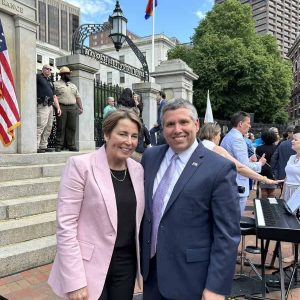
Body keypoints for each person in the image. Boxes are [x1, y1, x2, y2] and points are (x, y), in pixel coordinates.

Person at [141, 99, 240, 300]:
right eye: (170, 124)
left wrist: (216, 287)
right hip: (151, 274)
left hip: (191, 278)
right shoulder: (150, 157)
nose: (177, 129)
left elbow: (227, 234)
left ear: (196, 124)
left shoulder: (219, 168)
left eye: (183, 122)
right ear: (162, 128)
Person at [48, 109, 145, 300]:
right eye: (123, 134)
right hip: (87, 265)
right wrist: (74, 281)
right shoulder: (80, 166)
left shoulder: (137, 169)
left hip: (125, 264)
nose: (129, 142)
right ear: (107, 134)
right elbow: (66, 225)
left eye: (134, 136)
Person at [200, 123, 282, 188]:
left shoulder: (198, 146)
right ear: (214, 135)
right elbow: (239, 168)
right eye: (219, 134)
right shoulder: (216, 148)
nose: (219, 137)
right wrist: (265, 179)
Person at [221, 111, 266, 213]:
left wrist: (249, 160)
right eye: (248, 123)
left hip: (230, 182)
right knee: (235, 220)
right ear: (240, 124)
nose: (250, 126)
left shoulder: (228, 136)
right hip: (237, 184)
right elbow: (243, 166)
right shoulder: (238, 139)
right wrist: (260, 163)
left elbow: (236, 161)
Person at [54, 66, 83, 152]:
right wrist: (57, 107)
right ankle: (59, 145)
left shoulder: (73, 85)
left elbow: (78, 97)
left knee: (72, 127)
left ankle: (71, 145)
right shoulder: (56, 84)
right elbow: (53, 96)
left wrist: (81, 107)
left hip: (73, 107)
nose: (69, 75)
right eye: (68, 74)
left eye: (69, 74)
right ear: (62, 75)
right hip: (61, 106)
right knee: (61, 127)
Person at [36, 64, 61, 153]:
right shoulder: (38, 77)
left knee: (49, 126)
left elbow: (54, 96)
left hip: (50, 106)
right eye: (47, 69)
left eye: (50, 69)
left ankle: (43, 145)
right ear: (42, 69)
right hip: (42, 104)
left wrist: (58, 108)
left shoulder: (50, 82)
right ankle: (36, 145)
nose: (49, 71)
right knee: (41, 125)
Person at [256, 130, 278, 198]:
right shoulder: (276, 148)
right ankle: (271, 206)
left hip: (262, 170)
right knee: (272, 191)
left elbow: (257, 160)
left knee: (263, 190)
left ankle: (264, 205)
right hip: (273, 170)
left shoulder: (259, 148)